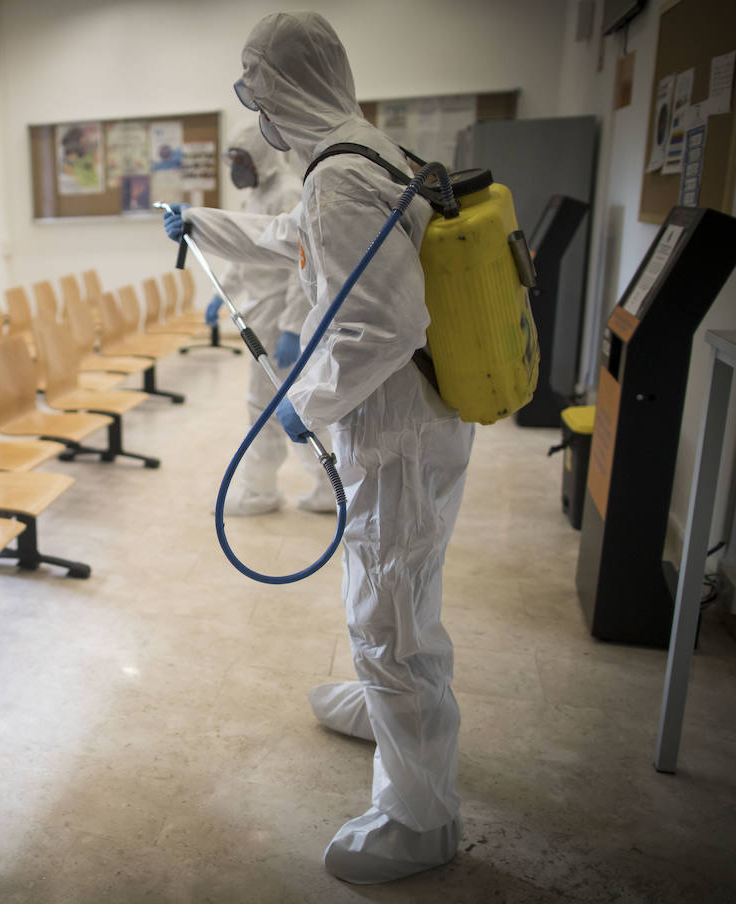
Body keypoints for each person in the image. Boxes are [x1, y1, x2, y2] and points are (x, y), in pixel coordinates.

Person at [163, 11, 473, 885]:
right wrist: (204, 225)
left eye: (256, 91)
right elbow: (286, 243)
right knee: (398, 590)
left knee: (392, 618)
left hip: (398, 428)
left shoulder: (338, 176)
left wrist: (304, 402)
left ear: (283, 85)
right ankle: (388, 714)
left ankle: (421, 819)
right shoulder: (362, 153)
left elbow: (382, 323)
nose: (255, 115)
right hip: (421, 419)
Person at [208, 124, 337, 517]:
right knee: (276, 405)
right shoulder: (256, 196)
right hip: (261, 311)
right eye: (232, 161)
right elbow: (244, 253)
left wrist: (292, 327)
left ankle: (268, 492)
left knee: (274, 407)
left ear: (261, 159)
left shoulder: (285, 193)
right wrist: (221, 291)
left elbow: (301, 266)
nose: (237, 169)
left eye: (242, 160)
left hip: (279, 317)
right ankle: (323, 488)